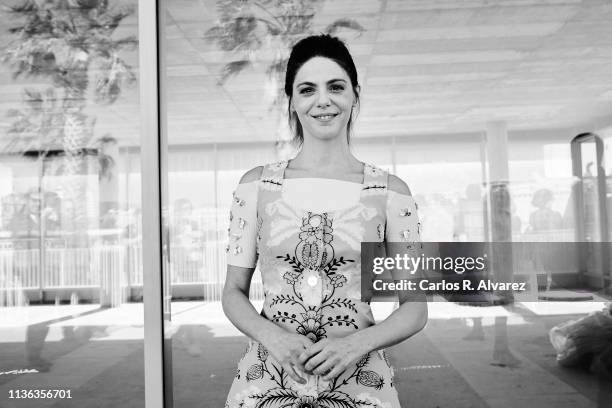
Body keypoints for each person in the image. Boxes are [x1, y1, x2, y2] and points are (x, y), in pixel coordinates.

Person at [222, 35, 427, 408]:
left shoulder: (392, 193)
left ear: (354, 95)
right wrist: (273, 336)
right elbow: (233, 292)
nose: (323, 100)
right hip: (265, 384)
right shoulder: (254, 187)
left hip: (360, 385)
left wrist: (355, 345)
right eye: (307, 89)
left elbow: (415, 305)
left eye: (335, 86)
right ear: (293, 102)